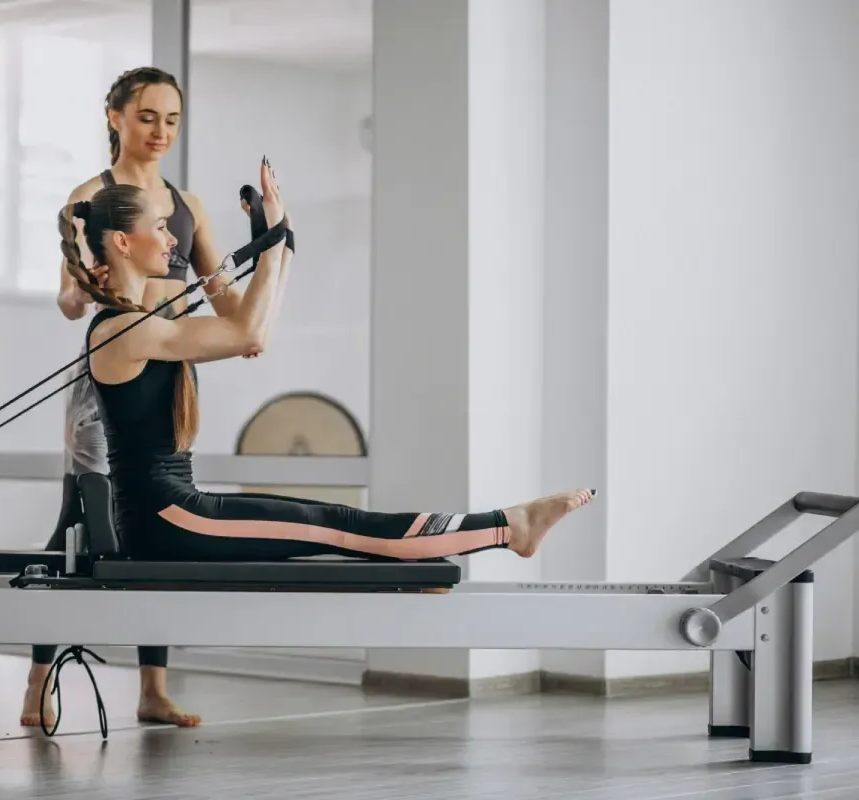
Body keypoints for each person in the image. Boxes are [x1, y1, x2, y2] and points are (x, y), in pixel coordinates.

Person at [64, 159, 596, 579]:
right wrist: (272, 242)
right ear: (123, 242)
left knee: (336, 521)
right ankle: (509, 528)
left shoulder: (144, 322)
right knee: (339, 530)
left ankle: (510, 526)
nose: (173, 238)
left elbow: (257, 335)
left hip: (177, 512)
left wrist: (281, 244)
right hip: (169, 520)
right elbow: (247, 330)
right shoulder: (122, 330)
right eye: (160, 226)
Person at [22, 66, 245, 732]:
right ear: (115, 116)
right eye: (147, 116)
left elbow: (220, 288)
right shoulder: (91, 197)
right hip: (111, 375)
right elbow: (68, 301)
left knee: (161, 520)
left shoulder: (188, 203)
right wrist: (84, 287)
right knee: (80, 524)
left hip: (171, 371)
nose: (161, 132)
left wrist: (243, 326)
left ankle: (153, 688)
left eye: (172, 119)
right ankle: (37, 685)